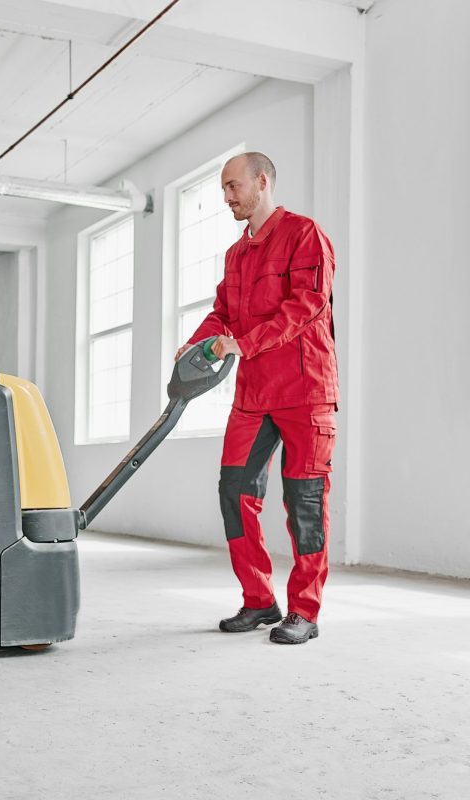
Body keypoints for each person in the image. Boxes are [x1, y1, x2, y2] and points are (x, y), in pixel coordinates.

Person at [176, 152, 338, 645]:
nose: (226, 197)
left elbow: (306, 307)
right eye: (224, 189)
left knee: (303, 502)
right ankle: (259, 600)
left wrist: (244, 344)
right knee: (235, 492)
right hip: (254, 397)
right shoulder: (236, 254)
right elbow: (223, 312)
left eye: (232, 187)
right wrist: (195, 344)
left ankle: (304, 612)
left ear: (261, 182)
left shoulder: (304, 234)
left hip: (305, 391)